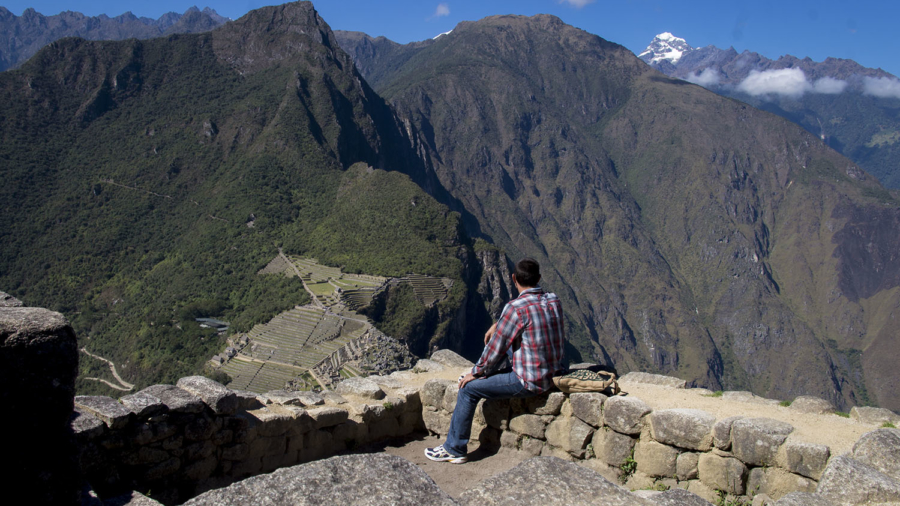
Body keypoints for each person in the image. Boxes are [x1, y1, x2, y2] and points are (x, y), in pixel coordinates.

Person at [424, 258, 566, 463]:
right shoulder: (553, 300)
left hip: (531, 380)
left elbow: (494, 350)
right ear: (539, 278)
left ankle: (454, 448)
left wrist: (475, 373)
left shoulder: (516, 308)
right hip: (555, 371)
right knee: (507, 345)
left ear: (514, 278)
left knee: (468, 389)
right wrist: (498, 324)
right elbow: (526, 320)